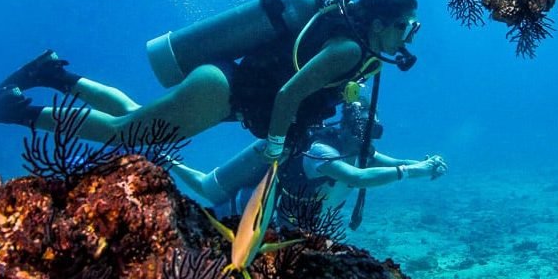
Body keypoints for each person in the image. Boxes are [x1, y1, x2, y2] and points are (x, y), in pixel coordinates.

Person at [0, 0, 421, 163]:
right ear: (383, 21)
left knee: (136, 118)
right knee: (125, 135)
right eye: (406, 27)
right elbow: (286, 96)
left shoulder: (351, 44)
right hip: (222, 93)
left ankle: (55, 75)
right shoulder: (349, 48)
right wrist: (277, 149)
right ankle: (15, 111)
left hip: (220, 84)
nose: (407, 37)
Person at [171, 96, 448, 219]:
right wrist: (413, 171)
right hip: (250, 212)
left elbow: (395, 162)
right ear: (345, 128)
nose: (367, 139)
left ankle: (167, 160)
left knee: (205, 190)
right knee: (207, 189)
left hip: (295, 227)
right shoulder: (320, 151)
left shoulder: (362, 151)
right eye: (361, 131)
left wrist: (426, 165)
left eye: (374, 131)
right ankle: (168, 160)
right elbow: (358, 178)